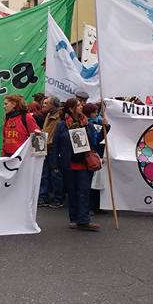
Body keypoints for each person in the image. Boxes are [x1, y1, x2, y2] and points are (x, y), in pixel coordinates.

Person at [54, 98, 100, 232]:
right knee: (73, 193)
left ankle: (84, 220)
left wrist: (103, 127)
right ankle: (74, 219)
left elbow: (94, 141)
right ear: (71, 108)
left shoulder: (87, 123)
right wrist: (55, 164)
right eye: (78, 105)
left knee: (84, 192)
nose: (81, 107)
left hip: (84, 163)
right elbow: (56, 144)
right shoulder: (62, 125)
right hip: (69, 163)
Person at [38, 97, 64, 208]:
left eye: (46, 103)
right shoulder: (48, 115)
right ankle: (43, 197)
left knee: (55, 174)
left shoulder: (60, 117)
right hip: (45, 148)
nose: (43, 105)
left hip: (54, 149)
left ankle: (57, 199)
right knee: (44, 174)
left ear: (53, 105)